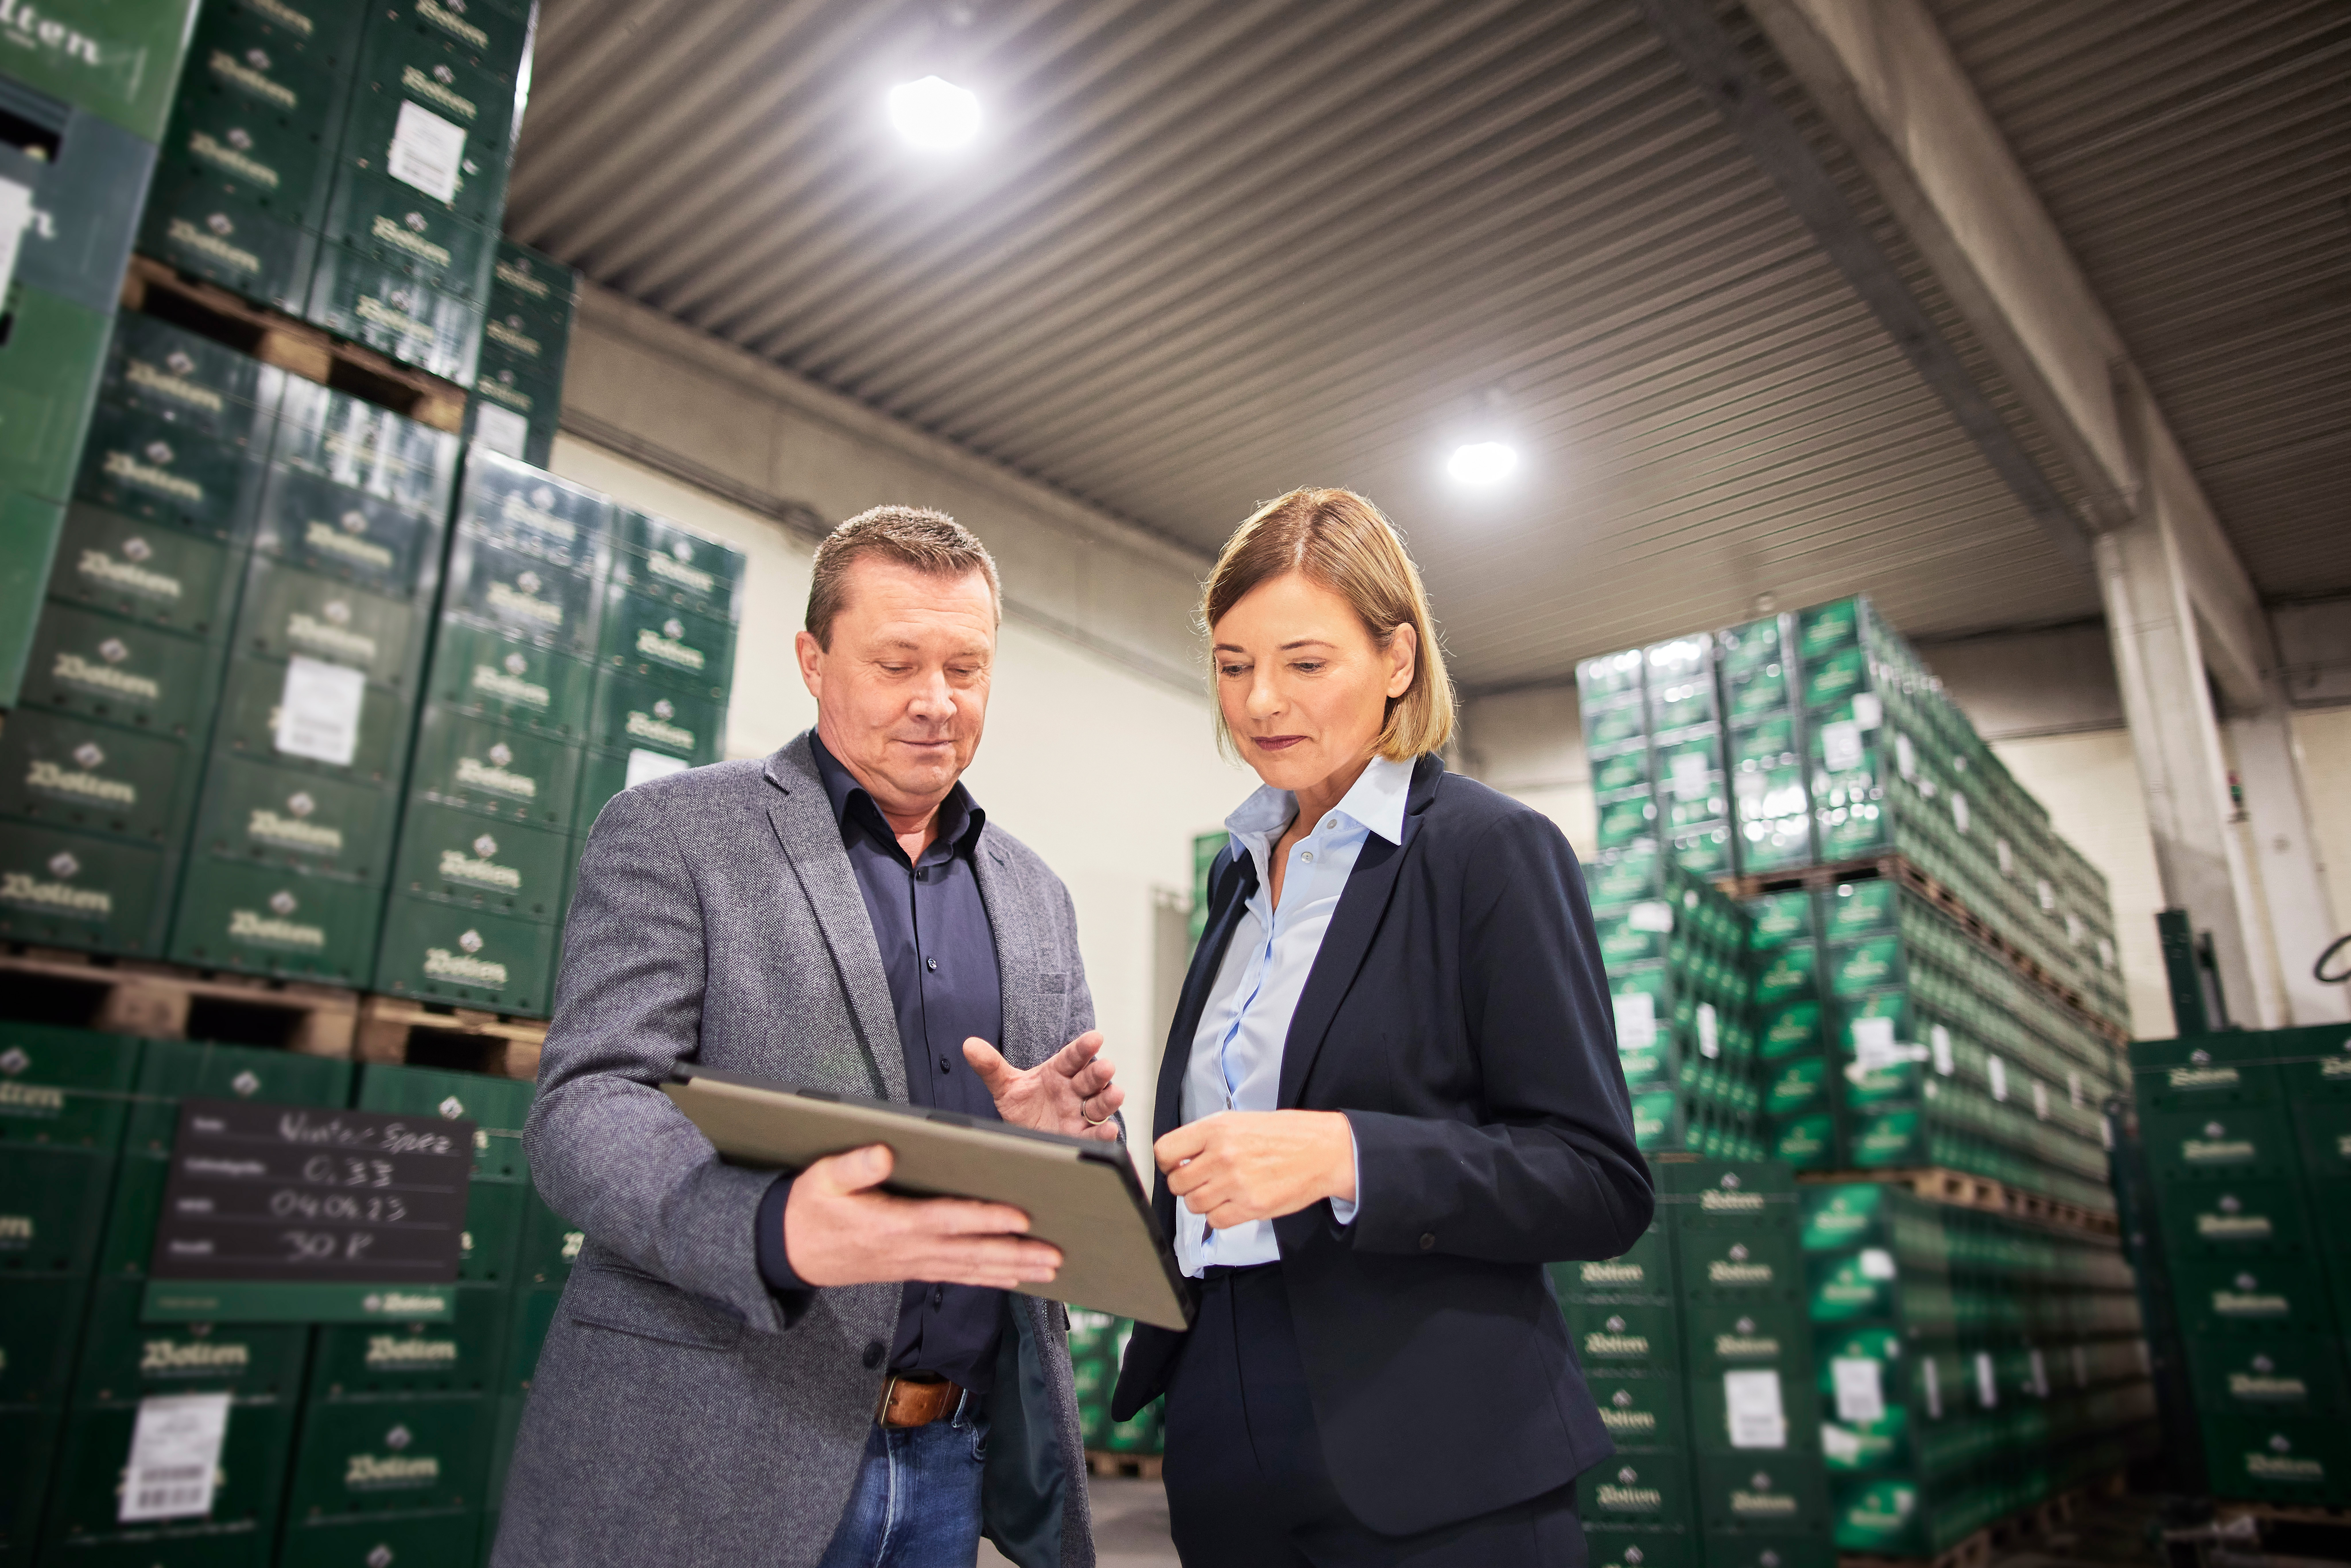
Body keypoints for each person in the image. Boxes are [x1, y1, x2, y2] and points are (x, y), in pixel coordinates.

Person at [496, 506, 1124, 1568]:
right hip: (712, 1444)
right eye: (896, 663)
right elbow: (589, 1103)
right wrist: (772, 1227)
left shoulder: (1036, 895)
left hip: (949, 1463)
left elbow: (1063, 1195)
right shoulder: (676, 835)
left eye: (968, 668)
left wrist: (1066, 1151)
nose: (938, 702)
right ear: (813, 659)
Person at [1112, 487, 1654, 1566]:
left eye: (1307, 663)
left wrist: (1350, 1154)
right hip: (1226, 1410)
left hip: (1435, 1449)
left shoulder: (1489, 854)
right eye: (1233, 665)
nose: (1262, 699)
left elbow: (1598, 1181)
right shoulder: (1239, 877)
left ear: (1397, 660)